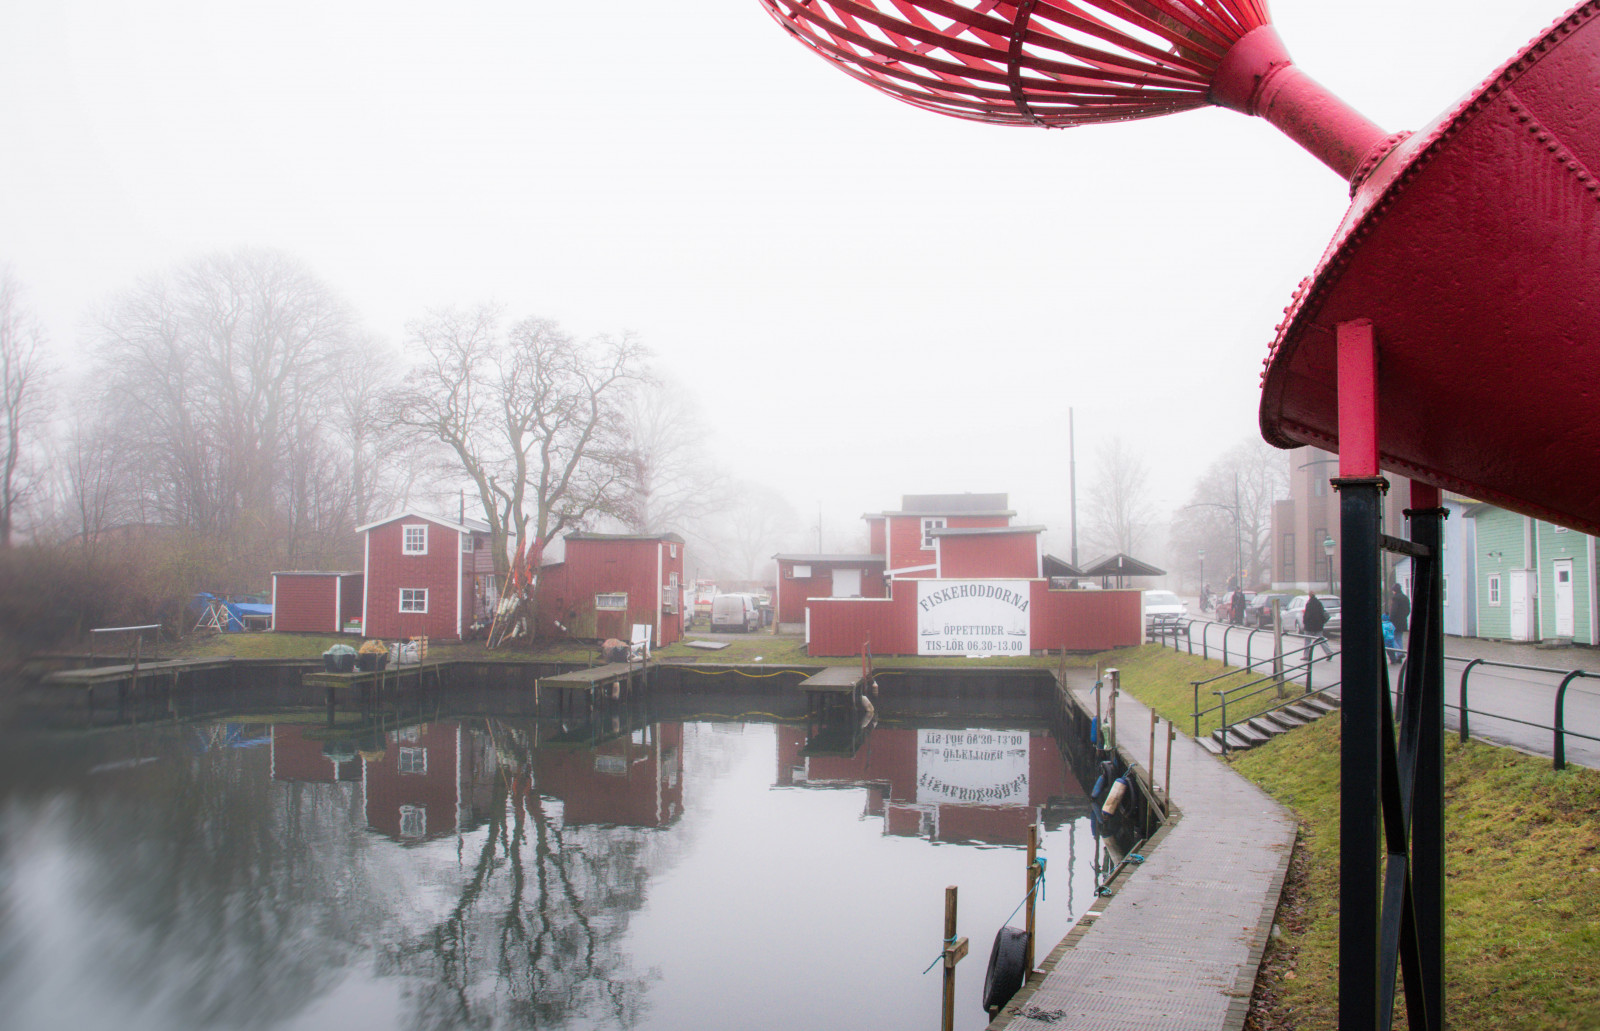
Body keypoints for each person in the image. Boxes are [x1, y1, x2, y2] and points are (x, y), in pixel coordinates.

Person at [1301, 592, 1332, 661]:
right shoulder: (1319, 603)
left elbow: (1307, 615)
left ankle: (1306, 655)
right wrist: (1322, 622)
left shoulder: (1309, 604)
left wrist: (1304, 623)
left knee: (1307, 641)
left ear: (1309, 596)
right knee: (1321, 640)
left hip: (1309, 626)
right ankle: (1329, 652)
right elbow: (1322, 613)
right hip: (1318, 626)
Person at [1388, 583, 1411, 650]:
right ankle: (1400, 653)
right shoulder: (1405, 597)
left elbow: (1393, 610)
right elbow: (1408, 610)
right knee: (1399, 638)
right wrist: (1403, 616)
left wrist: (1390, 619)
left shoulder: (1395, 598)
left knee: (1392, 638)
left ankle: (1399, 653)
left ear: (1394, 591)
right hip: (1403, 621)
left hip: (1395, 622)